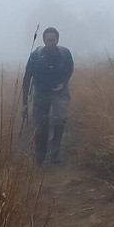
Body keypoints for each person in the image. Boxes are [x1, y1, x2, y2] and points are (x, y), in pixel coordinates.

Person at [22, 27, 73, 165]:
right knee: (41, 125)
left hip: (60, 93)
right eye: (48, 40)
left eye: (54, 40)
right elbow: (27, 78)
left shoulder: (65, 54)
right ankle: (40, 157)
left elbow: (69, 70)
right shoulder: (35, 56)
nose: (51, 42)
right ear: (44, 40)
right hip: (41, 93)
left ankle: (54, 154)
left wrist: (63, 83)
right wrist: (24, 104)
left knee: (60, 121)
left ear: (57, 40)